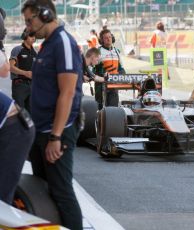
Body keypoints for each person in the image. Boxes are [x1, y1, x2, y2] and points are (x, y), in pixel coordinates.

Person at [22, 0, 83, 229]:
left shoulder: (63, 43)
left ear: (46, 14)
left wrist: (56, 136)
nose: (28, 27)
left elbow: (67, 94)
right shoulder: (47, 45)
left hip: (56, 132)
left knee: (61, 192)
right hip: (42, 131)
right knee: (43, 191)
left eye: (30, 20)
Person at [0, 10, 35, 205]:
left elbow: (4, 70)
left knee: (2, 198)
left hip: (15, 128)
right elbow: (7, 70)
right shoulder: (15, 51)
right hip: (18, 90)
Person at [94, 29, 126, 109]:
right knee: (101, 110)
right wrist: (101, 76)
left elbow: (121, 68)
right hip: (101, 87)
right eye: (106, 38)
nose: (109, 39)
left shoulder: (117, 51)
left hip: (114, 86)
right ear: (102, 40)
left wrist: (121, 75)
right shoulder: (98, 52)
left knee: (113, 109)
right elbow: (92, 70)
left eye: (110, 37)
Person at [9, 29, 37, 112]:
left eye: (34, 36)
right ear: (25, 36)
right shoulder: (17, 49)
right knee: (20, 113)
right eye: (31, 36)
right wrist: (25, 73)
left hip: (32, 86)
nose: (33, 38)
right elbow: (10, 67)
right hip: (20, 86)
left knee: (32, 113)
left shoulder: (35, 52)